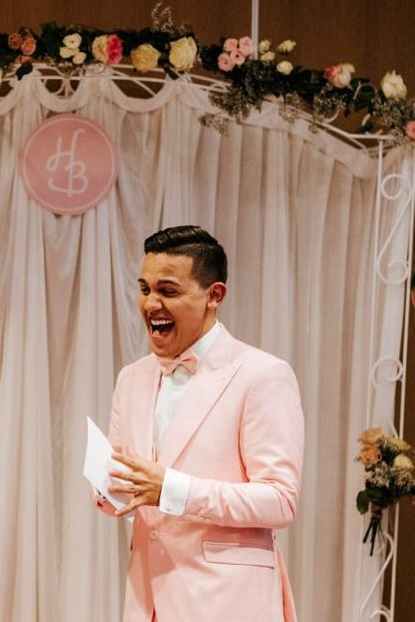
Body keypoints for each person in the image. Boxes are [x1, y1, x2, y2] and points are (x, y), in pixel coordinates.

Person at [95, 225, 304, 622]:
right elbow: (125, 477)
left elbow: (280, 500)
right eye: (144, 289)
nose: (150, 304)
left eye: (168, 291)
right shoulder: (132, 377)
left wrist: (172, 489)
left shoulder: (262, 374)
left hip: (229, 603)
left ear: (214, 296)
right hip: (147, 600)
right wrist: (108, 490)